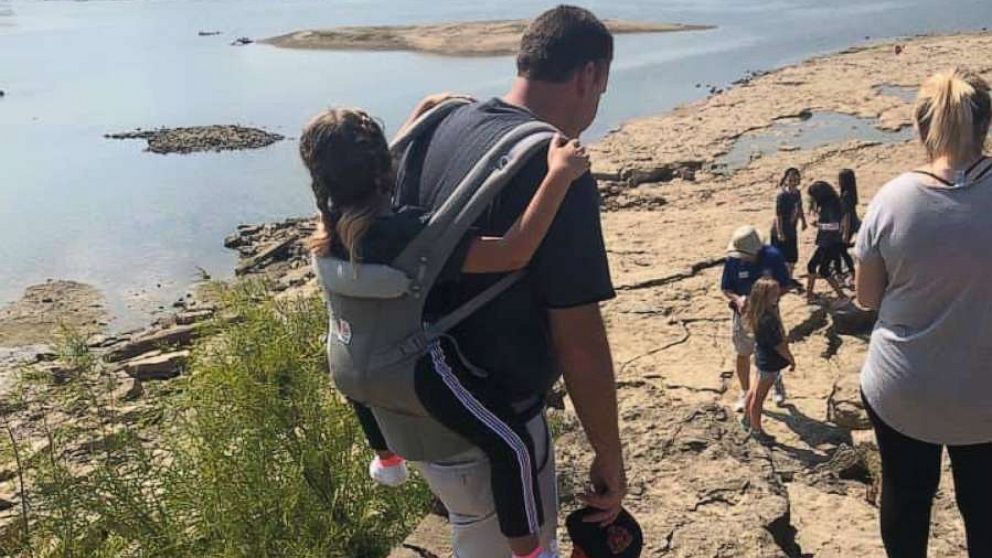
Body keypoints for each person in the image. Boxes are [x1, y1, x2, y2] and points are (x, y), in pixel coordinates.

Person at [394, 7, 625, 558]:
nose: (596, 104)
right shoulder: (554, 166)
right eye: (602, 89)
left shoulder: (442, 125)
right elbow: (579, 335)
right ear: (587, 76)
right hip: (493, 421)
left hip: (415, 399)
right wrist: (609, 454)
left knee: (471, 532)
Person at [300, 106, 591, 498]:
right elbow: (513, 252)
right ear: (386, 171)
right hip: (408, 373)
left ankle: (387, 459)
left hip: (349, 366)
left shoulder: (329, 228)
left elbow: (379, 162)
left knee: (361, 379)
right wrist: (560, 174)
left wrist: (424, 111)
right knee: (510, 445)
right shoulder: (406, 235)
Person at [855, 68, 992, 558]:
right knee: (986, 509)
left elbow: (867, 298)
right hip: (986, 396)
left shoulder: (892, 199)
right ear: (986, 126)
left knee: (907, 498)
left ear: (921, 129)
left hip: (905, 389)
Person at [720, 225, 791, 412]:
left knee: (772, 350)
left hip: (768, 314)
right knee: (743, 352)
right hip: (743, 315)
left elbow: (785, 285)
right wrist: (738, 299)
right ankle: (745, 392)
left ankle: (777, 384)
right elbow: (726, 288)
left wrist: (765, 303)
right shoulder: (733, 261)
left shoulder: (773, 256)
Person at [741, 277, 795, 444]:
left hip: (761, 357)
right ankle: (756, 430)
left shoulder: (757, 313)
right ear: (765, 296)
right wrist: (791, 359)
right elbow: (779, 345)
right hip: (770, 362)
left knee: (754, 390)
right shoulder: (768, 319)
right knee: (759, 398)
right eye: (774, 294)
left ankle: (746, 419)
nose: (778, 296)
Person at [804, 181, 849, 303]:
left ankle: (842, 296)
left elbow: (835, 225)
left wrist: (819, 225)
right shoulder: (833, 203)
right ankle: (810, 294)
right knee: (813, 266)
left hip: (830, 242)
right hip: (826, 242)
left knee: (822, 270)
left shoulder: (830, 206)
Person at [770, 167, 807, 286]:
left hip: (791, 229)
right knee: (780, 256)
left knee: (792, 257)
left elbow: (799, 207)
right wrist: (780, 232)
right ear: (786, 180)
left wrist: (803, 221)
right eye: (790, 180)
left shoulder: (797, 193)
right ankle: (778, 279)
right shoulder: (782, 195)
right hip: (780, 230)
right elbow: (778, 215)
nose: (793, 182)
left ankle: (788, 279)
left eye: (796, 179)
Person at [836, 168, 860, 282]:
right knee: (843, 250)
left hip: (847, 225)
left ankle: (850, 273)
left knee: (842, 250)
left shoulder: (846, 195)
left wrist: (845, 232)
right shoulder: (852, 193)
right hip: (852, 223)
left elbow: (847, 215)